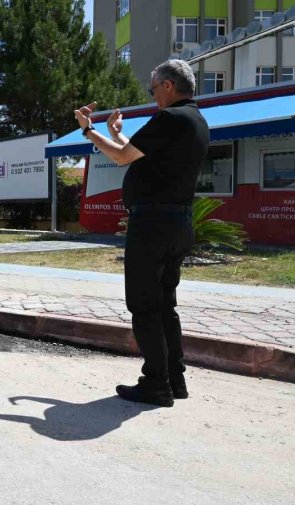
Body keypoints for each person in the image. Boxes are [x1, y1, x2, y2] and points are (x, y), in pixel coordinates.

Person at [73, 58, 209, 408]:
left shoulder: (170, 118)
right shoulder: (196, 120)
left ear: (168, 85)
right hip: (178, 223)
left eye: (153, 90)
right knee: (165, 305)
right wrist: (116, 133)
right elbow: (138, 154)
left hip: (152, 225)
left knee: (145, 305)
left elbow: (122, 158)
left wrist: (88, 130)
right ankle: (175, 379)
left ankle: (155, 384)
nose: (153, 97)